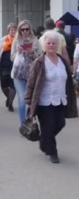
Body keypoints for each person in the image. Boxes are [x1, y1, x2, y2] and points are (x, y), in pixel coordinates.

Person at [25, 30, 78, 163]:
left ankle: (44, 140)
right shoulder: (39, 62)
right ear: (44, 45)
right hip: (44, 101)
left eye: (54, 43)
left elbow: (68, 80)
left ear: (57, 45)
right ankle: (52, 152)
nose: (51, 45)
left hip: (61, 99)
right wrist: (29, 101)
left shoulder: (62, 61)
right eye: (48, 43)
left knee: (60, 123)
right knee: (48, 126)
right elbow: (31, 82)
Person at [10, 20, 42, 127]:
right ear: (19, 30)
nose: (24, 32)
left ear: (30, 29)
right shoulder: (16, 41)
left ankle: (30, 119)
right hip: (19, 74)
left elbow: (41, 58)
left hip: (32, 74)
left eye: (26, 29)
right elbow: (12, 57)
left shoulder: (35, 41)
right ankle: (23, 124)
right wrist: (18, 53)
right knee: (22, 98)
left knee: (32, 99)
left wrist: (32, 52)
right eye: (22, 29)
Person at [0, 23, 17, 112]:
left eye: (14, 29)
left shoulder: (19, 39)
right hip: (4, 64)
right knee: (3, 85)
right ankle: (9, 98)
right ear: (8, 31)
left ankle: (10, 103)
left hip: (15, 65)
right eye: (11, 30)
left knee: (13, 85)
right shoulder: (4, 39)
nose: (13, 31)